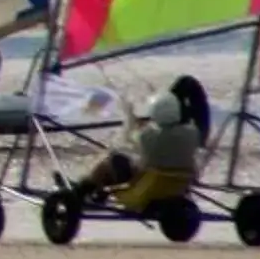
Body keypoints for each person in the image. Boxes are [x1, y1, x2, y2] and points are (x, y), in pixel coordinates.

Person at [57, 90, 202, 212]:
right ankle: (91, 191)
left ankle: (79, 192)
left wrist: (131, 121)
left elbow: (126, 143)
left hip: (145, 190)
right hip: (176, 186)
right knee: (120, 160)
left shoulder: (148, 136)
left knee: (112, 159)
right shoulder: (192, 133)